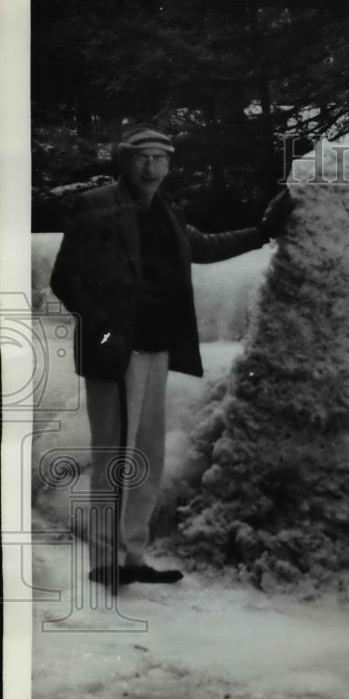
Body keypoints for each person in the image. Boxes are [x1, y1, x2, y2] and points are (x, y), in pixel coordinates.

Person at [50, 123, 293, 591]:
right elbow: (66, 279)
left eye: (160, 157)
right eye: (142, 156)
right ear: (125, 161)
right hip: (114, 353)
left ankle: (134, 556)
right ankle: (106, 559)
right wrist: (104, 335)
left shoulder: (167, 211)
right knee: (115, 456)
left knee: (147, 456)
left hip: (157, 348)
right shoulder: (96, 205)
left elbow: (203, 248)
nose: (151, 165)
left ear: (169, 165)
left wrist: (264, 232)